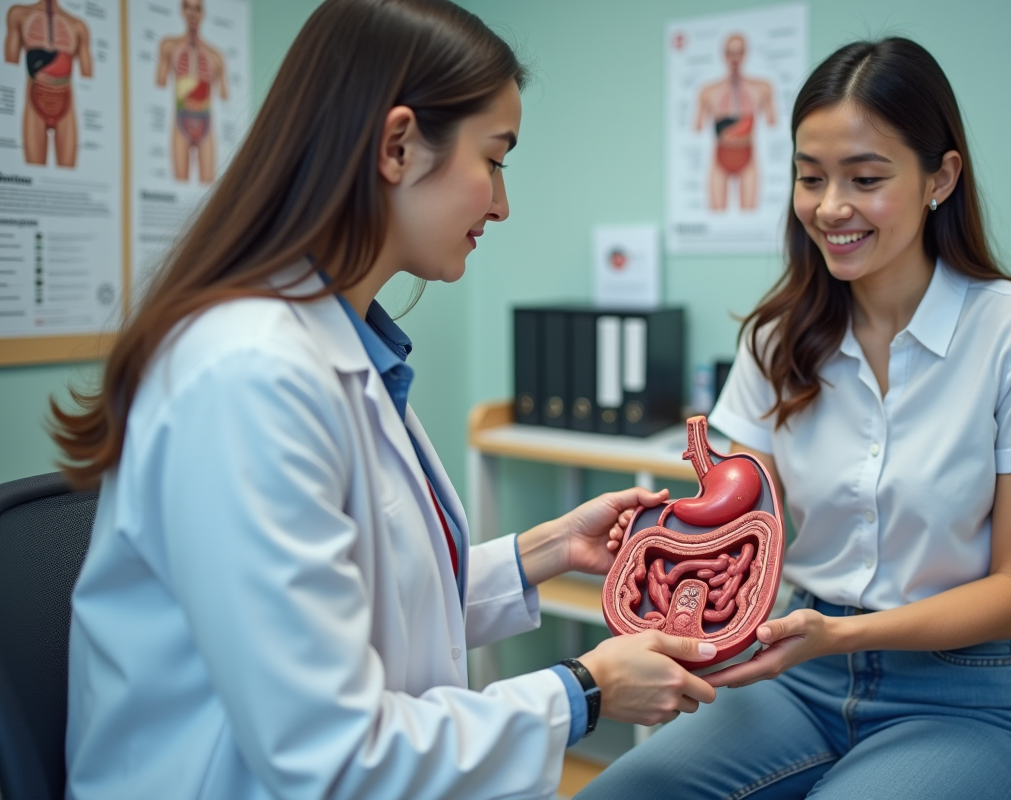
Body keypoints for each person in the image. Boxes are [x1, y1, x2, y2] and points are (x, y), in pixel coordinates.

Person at [53, 2, 715, 798]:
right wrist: (587, 690)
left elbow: (361, 606)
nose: (502, 205)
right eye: (495, 159)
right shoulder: (247, 376)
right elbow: (330, 757)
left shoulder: (339, 346)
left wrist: (543, 551)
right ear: (398, 145)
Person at [580, 37, 1011, 800]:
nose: (830, 208)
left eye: (865, 178)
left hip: (966, 700)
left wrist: (841, 634)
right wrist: (671, 552)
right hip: (798, 674)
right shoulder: (777, 337)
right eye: (809, 177)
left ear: (940, 177)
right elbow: (743, 526)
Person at [693, 33, 776, 212]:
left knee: (749, 216)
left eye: (739, 52)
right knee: (716, 216)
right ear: (723, 55)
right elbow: (697, 126)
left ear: (746, 54)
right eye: (730, 53)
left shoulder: (762, 88)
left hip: (748, 155)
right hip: (720, 155)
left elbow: (773, 122)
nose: (735, 58)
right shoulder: (708, 91)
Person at [4, 0, 92, 168]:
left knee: (68, 175)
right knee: (34, 172)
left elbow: (88, 77)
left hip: (66, 102)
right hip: (34, 98)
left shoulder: (78, 26)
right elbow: (9, 69)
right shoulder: (19, 15)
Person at [156, 0, 228, 184]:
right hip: (181, 120)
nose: (192, 13)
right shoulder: (169, 46)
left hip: (206, 123)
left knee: (208, 189)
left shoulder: (216, 56)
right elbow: (159, 85)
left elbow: (224, 95)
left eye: (197, 9)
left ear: (203, 13)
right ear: (181, 10)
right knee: (178, 185)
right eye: (188, 7)